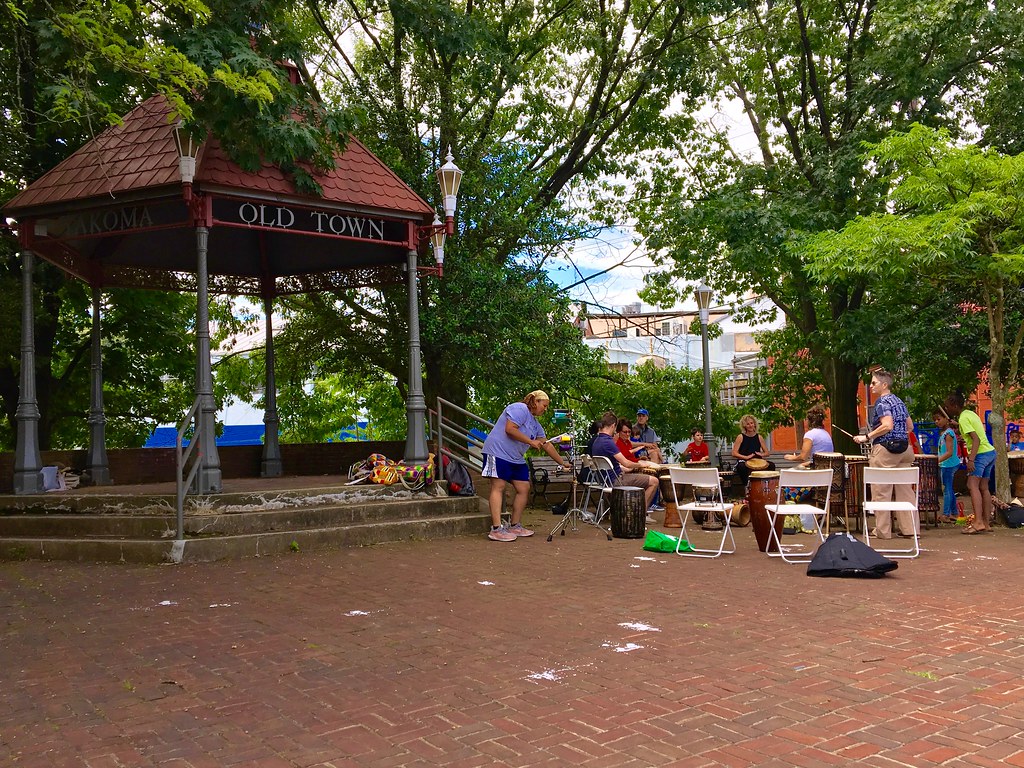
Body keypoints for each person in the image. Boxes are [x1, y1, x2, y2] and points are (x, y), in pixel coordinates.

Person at [481, 390, 572, 542]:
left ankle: (514, 525)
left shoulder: (536, 425)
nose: (545, 409)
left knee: (524, 487)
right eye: (544, 405)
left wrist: (563, 463)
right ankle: (496, 529)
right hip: (497, 452)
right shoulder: (519, 408)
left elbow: (546, 445)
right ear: (535, 402)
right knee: (499, 486)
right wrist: (530, 442)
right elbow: (510, 429)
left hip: (515, 458)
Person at [853, 369, 916, 539]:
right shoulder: (899, 402)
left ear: (884, 385)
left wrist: (867, 437)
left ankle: (883, 531)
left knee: (881, 490)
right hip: (905, 450)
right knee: (905, 491)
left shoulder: (882, 403)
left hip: (886, 449)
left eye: (874, 383)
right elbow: (910, 426)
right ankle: (910, 530)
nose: (871, 386)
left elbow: (887, 425)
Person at [590, 410, 660, 522]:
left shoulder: (597, 441)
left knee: (640, 477)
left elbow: (612, 463)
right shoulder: (608, 442)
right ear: (613, 425)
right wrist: (642, 464)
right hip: (616, 480)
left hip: (604, 480)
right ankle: (640, 516)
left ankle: (634, 511)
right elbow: (626, 463)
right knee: (654, 481)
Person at [944, 392, 996, 534]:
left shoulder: (963, 418)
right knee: (984, 487)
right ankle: (986, 522)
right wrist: (959, 426)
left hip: (980, 454)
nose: (947, 409)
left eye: (948, 407)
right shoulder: (969, 414)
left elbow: (976, 440)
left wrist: (971, 460)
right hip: (990, 452)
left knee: (972, 485)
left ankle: (978, 522)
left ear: (955, 406)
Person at [616, 419, 664, 514]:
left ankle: (645, 509)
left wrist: (639, 459)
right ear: (618, 432)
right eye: (625, 432)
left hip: (629, 469)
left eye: (629, 432)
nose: (627, 434)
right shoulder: (617, 443)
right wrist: (640, 464)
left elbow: (630, 458)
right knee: (654, 480)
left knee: (655, 467)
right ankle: (640, 512)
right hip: (624, 473)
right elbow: (626, 462)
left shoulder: (627, 442)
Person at [732, 414, 774, 485]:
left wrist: (761, 454)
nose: (750, 425)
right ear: (744, 426)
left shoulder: (759, 437)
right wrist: (746, 457)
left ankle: (767, 486)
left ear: (754, 424)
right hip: (744, 460)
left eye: (751, 423)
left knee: (771, 465)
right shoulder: (741, 437)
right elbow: (734, 453)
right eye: (748, 424)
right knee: (741, 467)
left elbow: (767, 453)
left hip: (757, 460)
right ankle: (747, 486)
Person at [934, 407, 960, 521]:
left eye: (939, 419)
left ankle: (946, 514)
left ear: (946, 418)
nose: (936, 422)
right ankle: (954, 513)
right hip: (945, 464)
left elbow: (949, 452)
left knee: (947, 489)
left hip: (948, 465)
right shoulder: (945, 433)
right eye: (935, 420)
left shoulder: (948, 434)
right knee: (949, 489)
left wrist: (937, 460)